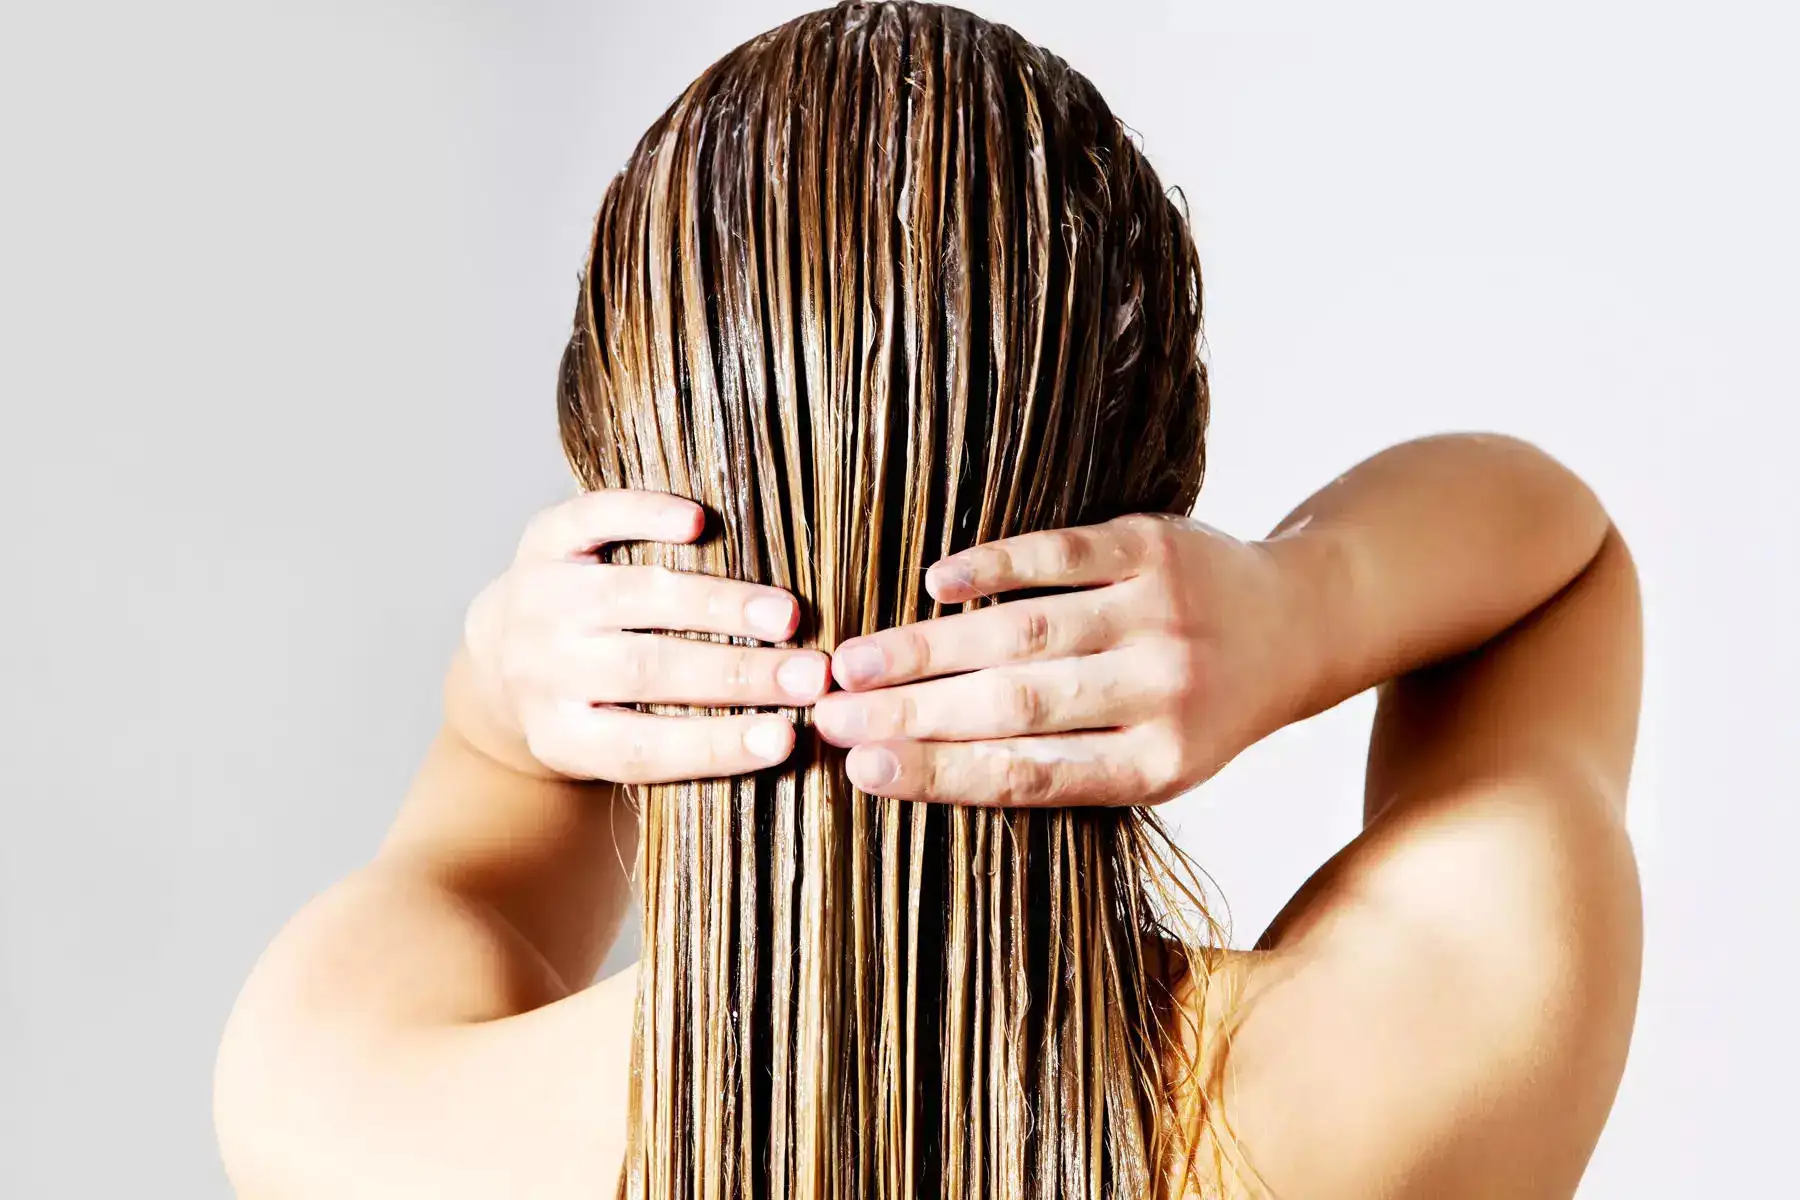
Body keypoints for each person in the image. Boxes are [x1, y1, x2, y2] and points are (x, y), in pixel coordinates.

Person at [213, 5, 1643, 1198]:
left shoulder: (354, 1111)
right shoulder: (1399, 1079)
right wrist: (1304, 603)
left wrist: (497, 707)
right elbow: (1559, 564)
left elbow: (466, 858)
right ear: (1151, 516)